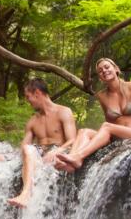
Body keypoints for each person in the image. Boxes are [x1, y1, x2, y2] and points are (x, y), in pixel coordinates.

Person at [55, 58, 131, 172]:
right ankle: (70, 162)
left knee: (106, 126)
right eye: (100, 71)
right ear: (100, 77)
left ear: (116, 69)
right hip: (117, 138)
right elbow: (111, 121)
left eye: (107, 67)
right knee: (83, 132)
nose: (104, 71)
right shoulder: (102, 96)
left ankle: (78, 156)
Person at [7, 78, 78, 208]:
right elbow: (24, 146)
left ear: (37, 93)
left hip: (58, 152)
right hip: (39, 155)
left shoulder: (63, 112)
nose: (28, 101)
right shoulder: (32, 121)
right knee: (27, 150)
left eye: (28, 97)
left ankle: (26, 194)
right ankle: (26, 194)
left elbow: (73, 140)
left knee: (33, 151)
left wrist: (57, 151)